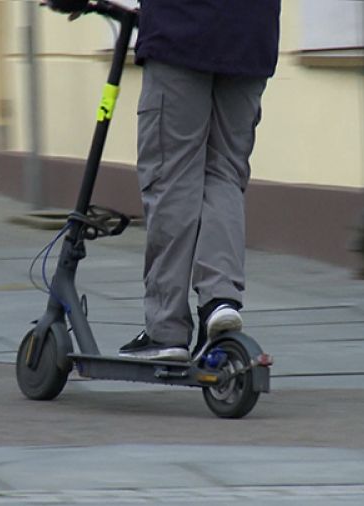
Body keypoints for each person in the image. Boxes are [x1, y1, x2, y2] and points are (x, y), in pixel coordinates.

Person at [50, 0, 281, 361]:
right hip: (251, 36)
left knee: (171, 178)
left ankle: (166, 329)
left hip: (182, 32)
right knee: (225, 172)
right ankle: (220, 302)